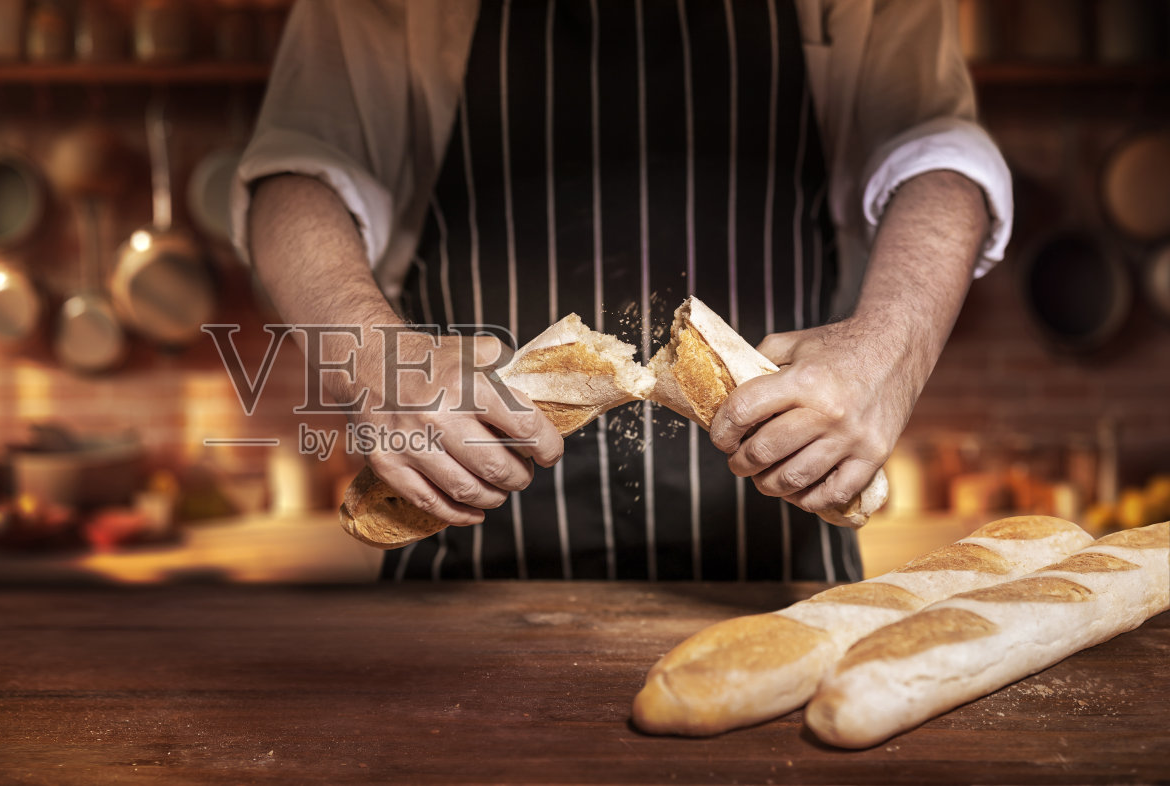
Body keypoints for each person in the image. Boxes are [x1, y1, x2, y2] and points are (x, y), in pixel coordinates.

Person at [233, 0, 1010, 581]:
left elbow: (937, 153)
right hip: (455, 554)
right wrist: (371, 357)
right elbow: (299, 168)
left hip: (777, 571)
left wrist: (894, 348)